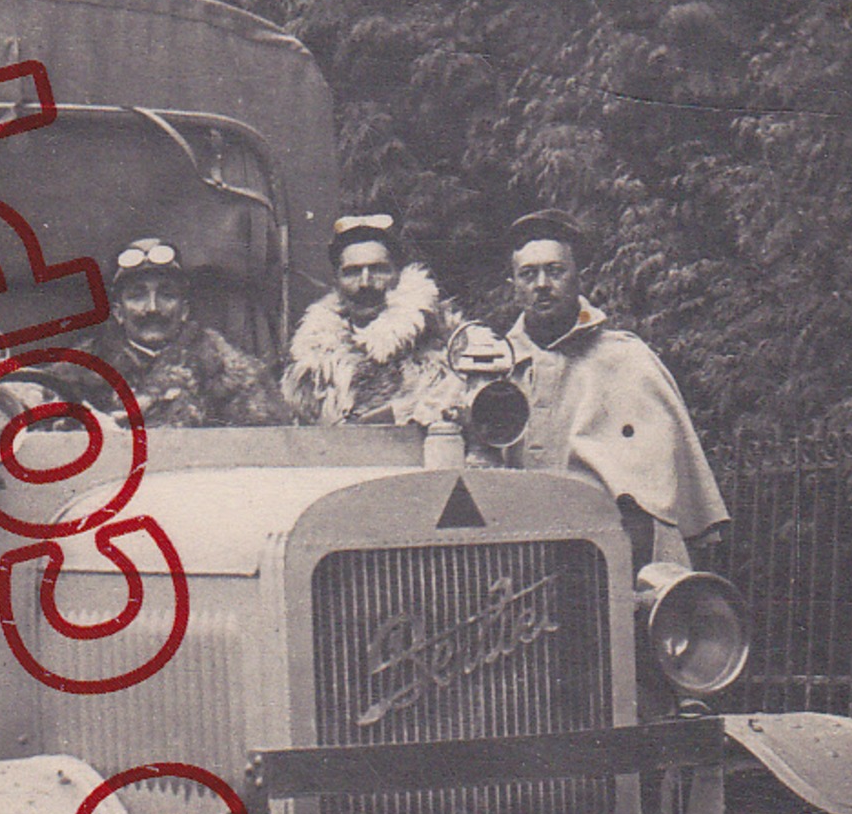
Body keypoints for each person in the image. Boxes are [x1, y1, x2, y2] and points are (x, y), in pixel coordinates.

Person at [488, 209, 727, 562]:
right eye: (528, 274)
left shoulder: (625, 358)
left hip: (609, 549)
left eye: (555, 271)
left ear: (578, 278)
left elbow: (661, 474)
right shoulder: (494, 367)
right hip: (515, 550)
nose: (541, 285)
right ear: (514, 288)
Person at [81, 237, 291, 427]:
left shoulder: (231, 377)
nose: (152, 308)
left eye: (166, 294)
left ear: (184, 310)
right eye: (137, 296)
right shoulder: (79, 376)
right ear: (118, 312)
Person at [282, 213, 463, 426]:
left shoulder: (451, 340)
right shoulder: (312, 361)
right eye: (352, 272)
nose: (365, 283)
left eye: (378, 269)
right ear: (337, 281)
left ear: (399, 273)